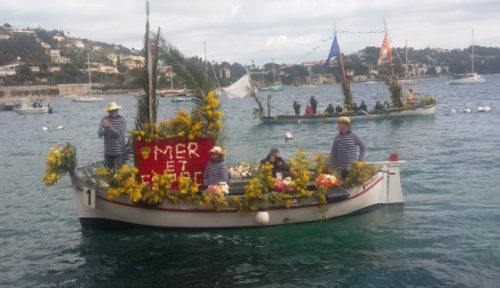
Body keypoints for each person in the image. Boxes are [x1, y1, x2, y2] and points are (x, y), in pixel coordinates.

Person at [98, 102, 127, 170]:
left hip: (119, 152)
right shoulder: (104, 120)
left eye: (115, 110)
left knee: (121, 173)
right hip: (108, 152)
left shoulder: (121, 120)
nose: (113, 112)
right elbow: (99, 134)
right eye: (111, 111)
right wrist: (106, 129)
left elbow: (120, 134)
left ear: (117, 110)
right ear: (109, 111)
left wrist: (109, 127)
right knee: (109, 174)